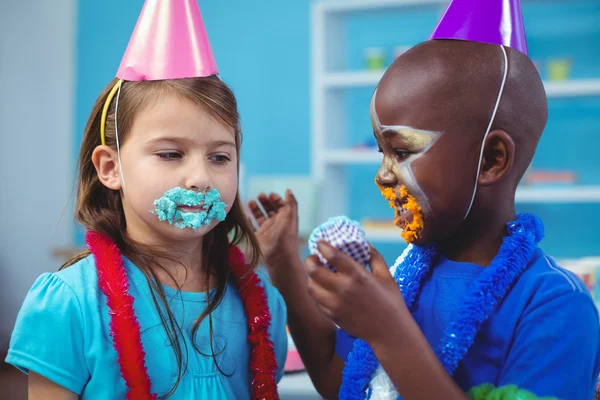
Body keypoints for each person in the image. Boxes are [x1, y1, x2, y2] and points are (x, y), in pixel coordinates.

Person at [249, 0, 600, 398]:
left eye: (401, 152)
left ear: (491, 160)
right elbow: (341, 383)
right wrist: (283, 265)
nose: (383, 174)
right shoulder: (404, 278)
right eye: (381, 153)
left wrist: (388, 331)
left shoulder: (554, 306)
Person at [6, 1, 287, 399]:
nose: (199, 178)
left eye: (219, 157)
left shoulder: (260, 302)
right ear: (110, 167)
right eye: (170, 154)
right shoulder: (70, 304)